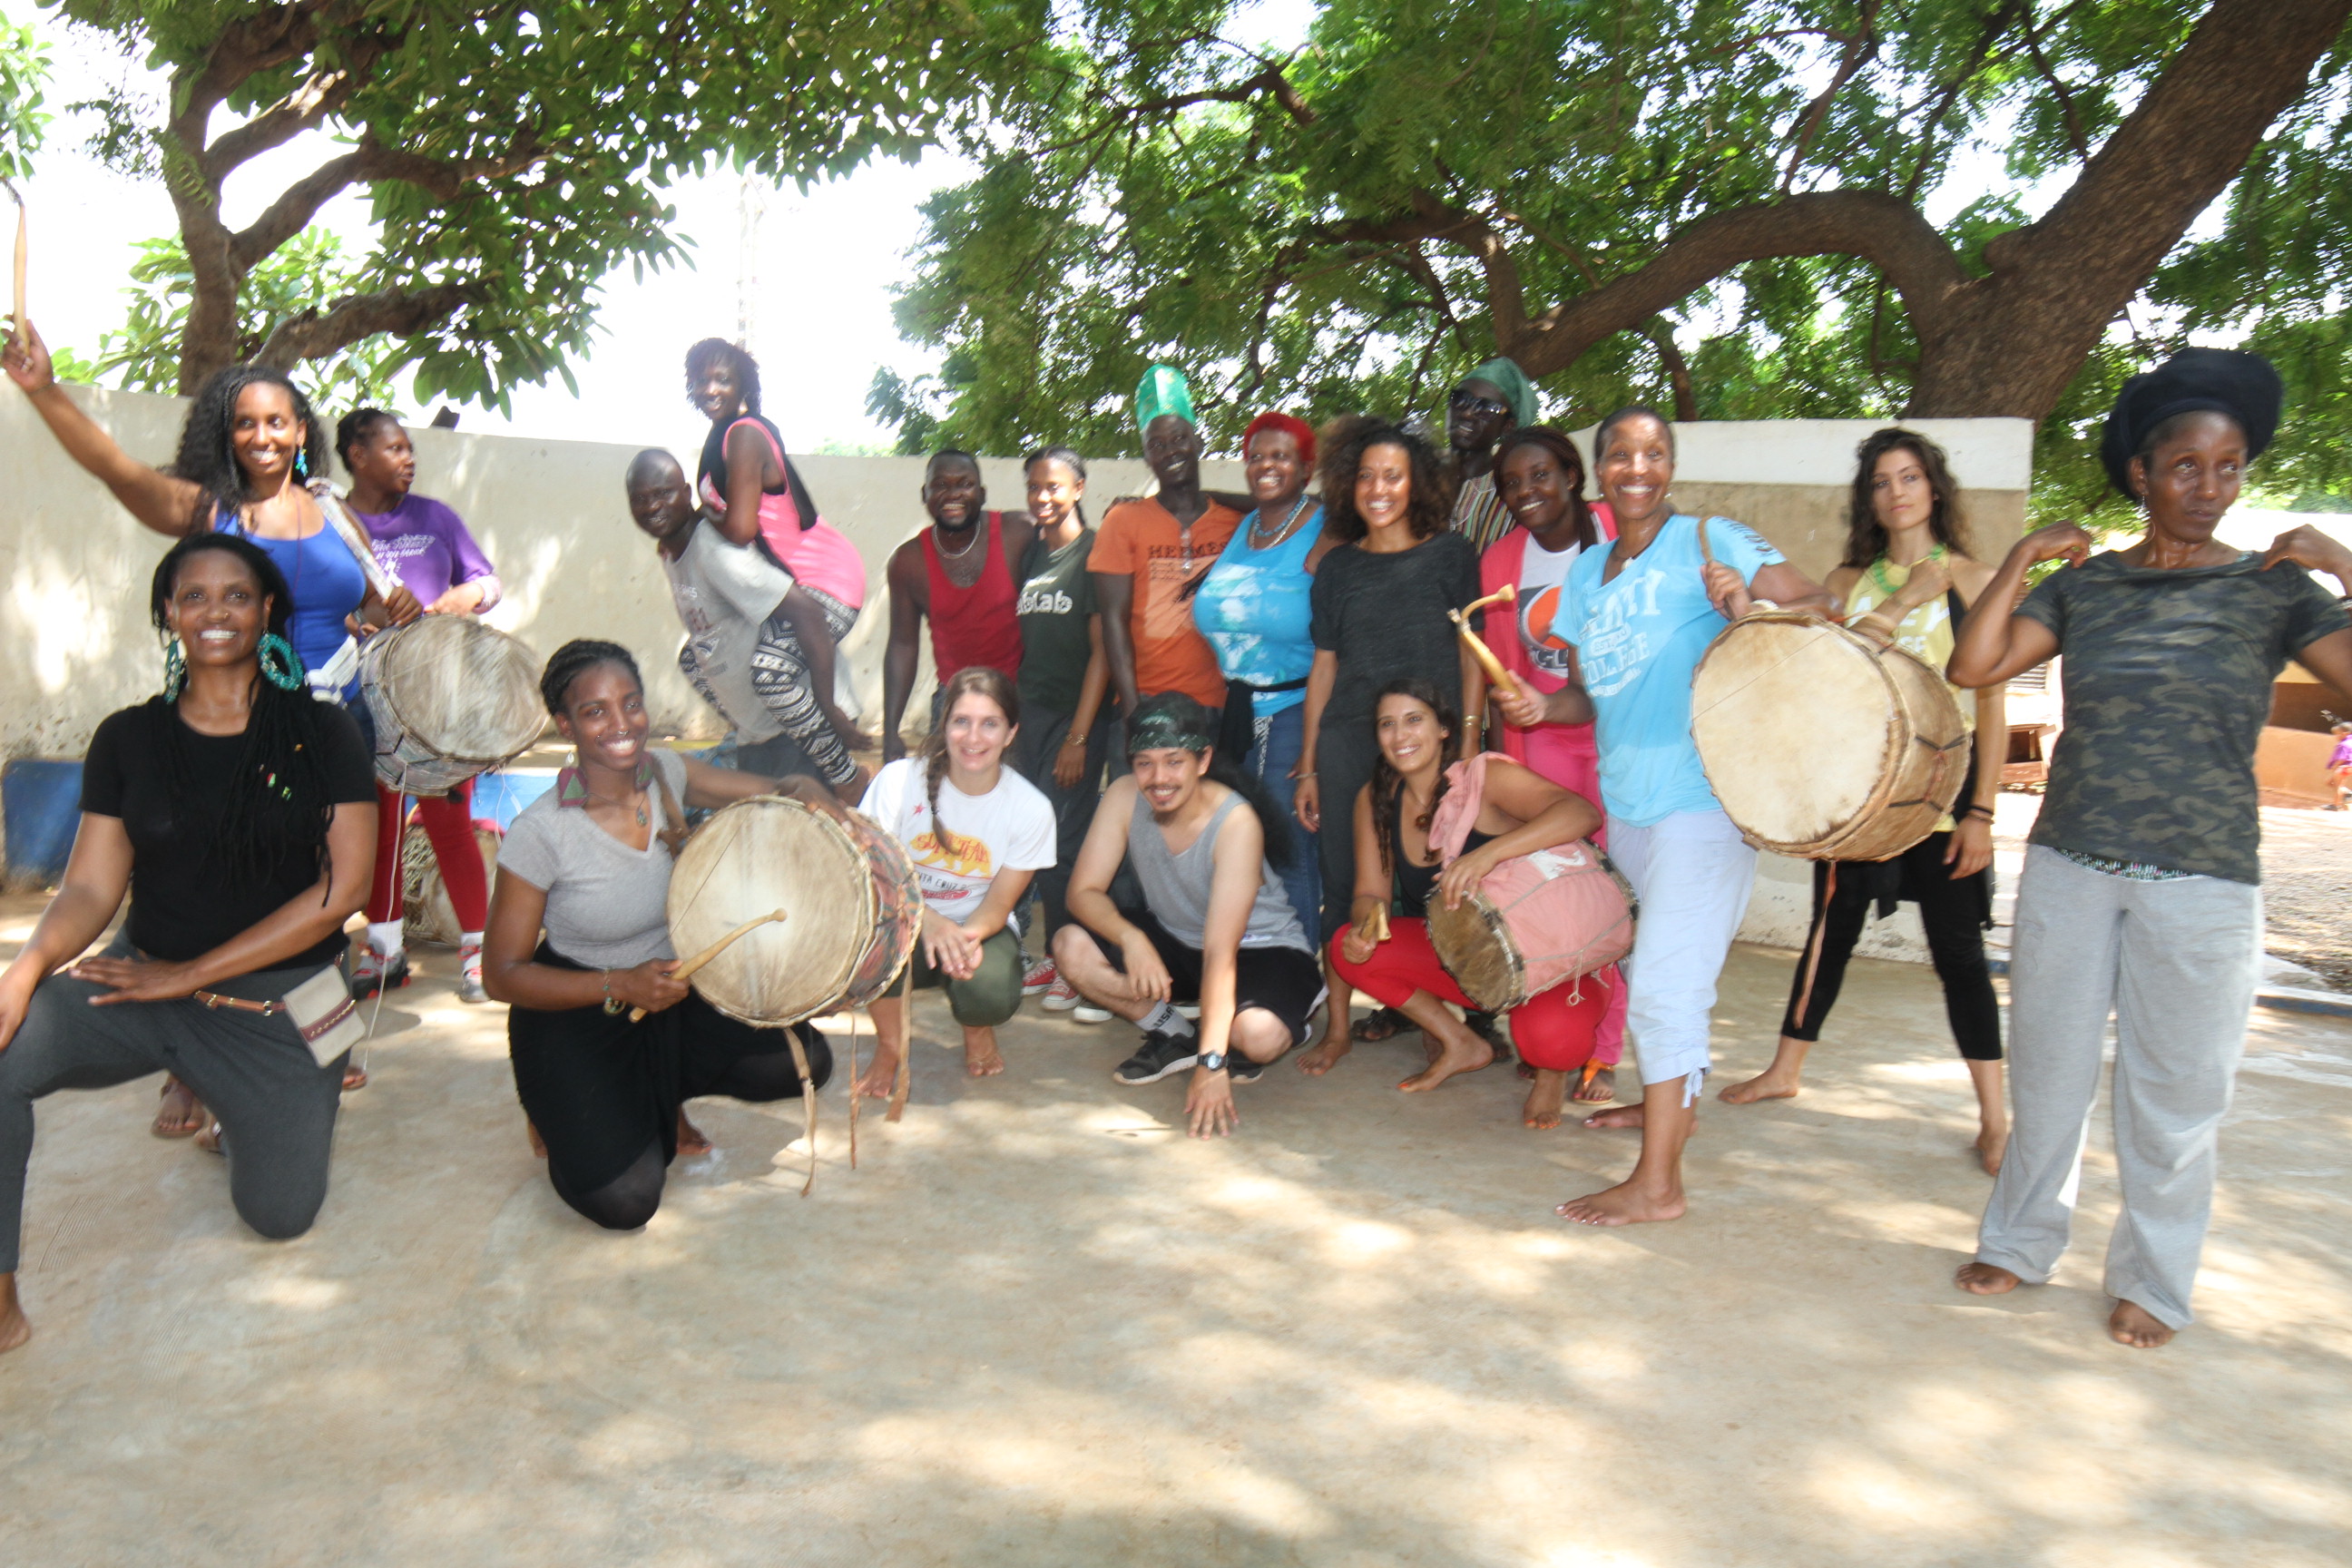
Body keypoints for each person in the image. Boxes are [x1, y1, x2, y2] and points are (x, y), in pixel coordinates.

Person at [1946, 348, 2352, 1349]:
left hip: (2204, 878)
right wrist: (2023, 560)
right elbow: (1974, 662)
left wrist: (2344, 568)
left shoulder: (2277, 590)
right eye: (2185, 467)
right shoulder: (2090, 587)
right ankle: (2021, 1239)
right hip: (2075, 865)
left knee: (2175, 1095)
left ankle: (2155, 1282)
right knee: (2047, 1072)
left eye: (2229, 468)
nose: (2208, 488)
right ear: (2142, 472)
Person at [5, 323, 415, 1138]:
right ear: (226, 435)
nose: (263, 437)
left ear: (303, 432)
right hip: (234, 727)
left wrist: (388, 608)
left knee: (328, 898)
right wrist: (46, 391)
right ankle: (188, 1063)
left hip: (333, 723)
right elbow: (114, 469)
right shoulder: (208, 507)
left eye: (279, 422)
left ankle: (321, 1044)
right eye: (245, 423)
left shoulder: (334, 510)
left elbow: (366, 600)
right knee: (224, 876)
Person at [0, 534, 378, 1353]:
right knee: (2, 1052)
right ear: (168, 613)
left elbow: (341, 893)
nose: (216, 612)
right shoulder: (128, 739)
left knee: (280, 1216)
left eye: (237, 595)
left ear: (267, 610)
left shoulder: (323, 733)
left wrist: (192, 973)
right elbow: (93, 889)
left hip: (281, 1006)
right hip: (144, 985)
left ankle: (236, 1105)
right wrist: (25, 970)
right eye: (194, 596)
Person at [1493, 406, 1832, 1226]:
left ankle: (1659, 1187)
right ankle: (1664, 1107)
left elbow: (1820, 608)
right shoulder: (1588, 572)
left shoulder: (1711, 540)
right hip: (1631, 805)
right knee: (1656, 974)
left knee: (1667, 991)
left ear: (1669, 466)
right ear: (1599, 469)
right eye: (1619, 454)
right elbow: (1590, 691)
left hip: (1705, 799)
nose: (1635, 468)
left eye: (1652, 454)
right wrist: (1542, 709)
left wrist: (1745, 602)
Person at [1719, 428, 2012, 1174]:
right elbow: (1815, 682)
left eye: (1910, 477)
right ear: (1870, 499)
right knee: (1829, 931)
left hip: (1940, 800)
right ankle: (1785, 1070)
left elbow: (1993, 707)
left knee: (1959, 956)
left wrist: (1982, 814)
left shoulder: (1975, 580)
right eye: (1881, 482)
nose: (1897, 493)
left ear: (1934, 487)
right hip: (1858, 797)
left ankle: (1995, 1117)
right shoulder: (1849, 581)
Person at [483, 641, 840, 1231]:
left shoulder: (665, 775)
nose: (622, 724)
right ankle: (552, 1102)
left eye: (631, 703)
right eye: (596, 711)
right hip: (578, 1007)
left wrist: (804, 788)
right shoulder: (542, 832)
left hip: (669, 991)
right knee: (627, 1201)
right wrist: (618, 983)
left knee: (805, 1063)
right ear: (565, 724)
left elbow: (776, 792)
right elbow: (502, 974)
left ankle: (658, 1094)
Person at [1324, 681, 1613, 1124]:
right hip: (1469, 956)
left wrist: (1489, 854)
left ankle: (1549, 1078)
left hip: (1545, 958)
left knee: (1552, 1044)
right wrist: (1367, 926)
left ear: (1443, 729)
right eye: (1388, 725)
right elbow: (1370, 894)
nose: (1401, 736)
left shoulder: (1484, 777)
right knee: (1348, 948)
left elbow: (1581, 814)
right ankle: (1461, 1043)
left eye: (1414, 720)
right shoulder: (1377, 796)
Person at [1293, 420, 1480, 1073]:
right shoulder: (1337, 568)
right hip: (1349, 741)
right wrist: (1310, 765)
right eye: (1366, 476)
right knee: (1345, 889)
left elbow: (1471, 652)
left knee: (1434, 887)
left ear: (1417, 483)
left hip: (1434, 747)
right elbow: (1324, 668)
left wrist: (1471, 744)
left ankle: (1438, 1025)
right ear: (1349, 485)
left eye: (1393, 476)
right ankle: (1339, 1027)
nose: (1379, 489)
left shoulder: (1453, 554)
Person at [1052, 695, 1324, 1138]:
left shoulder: (1235, 822)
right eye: (1144, 763)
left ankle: (1286, 1012)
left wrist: (1212, 1066)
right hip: (1178, 940)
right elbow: (1082, 892)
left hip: (1261, 948)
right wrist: (1132, 939)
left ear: (1203, 760)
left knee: (1256, 1038)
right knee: (1069, 945)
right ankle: (1177, 1033)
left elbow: (1221, 952)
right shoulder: (1123, 796)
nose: (1159, 779)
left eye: (1174, 761)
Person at [1464, 426, 1628, 1102]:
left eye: (1541, 475)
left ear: (1571, 475)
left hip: (1622, 743)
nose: (1527, 491)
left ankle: (1606, 1047)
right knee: (1561, 890)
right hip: (1545, 747)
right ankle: (1556, 1031)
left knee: (1619, 893)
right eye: (1512, 483)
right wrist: (1479, 739)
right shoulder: (1502, 559)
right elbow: (1487, 657)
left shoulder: (1621, 534)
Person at [337, 407, 505, 1010]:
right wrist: (359, 619)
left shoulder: (435, 518)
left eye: (411, 449)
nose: (409, 458)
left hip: (438, 699)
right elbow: (324, 605)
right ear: (357, 454)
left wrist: (465, 596)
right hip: (368, 699)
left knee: (449, 824)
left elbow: (491, 583)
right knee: (379, 826)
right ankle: (385, 949)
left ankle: (480, 951)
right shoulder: (335, 525)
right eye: (395, 448)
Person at [856, 668, 1056, 1095]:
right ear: (943, 725)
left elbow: (999, 905)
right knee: (864, 942)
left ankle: (976, 1025)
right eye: (961, 721)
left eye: (990, 724)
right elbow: (874, 877)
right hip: (899, 918)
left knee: (991, 991)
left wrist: (959, 940)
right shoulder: (898, 780)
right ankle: (890, 1046)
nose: (973, 737)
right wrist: (927, 921)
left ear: (1010, 733)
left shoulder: (1031, 808)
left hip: (975, 926)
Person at [683, 338, 869, 792]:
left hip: (825, 580)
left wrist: (705, 514)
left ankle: (847, 777)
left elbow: (741, 528)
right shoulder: (719, 438)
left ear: (743, 384)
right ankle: (761, 732)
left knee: (771, 671)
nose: (711, 388)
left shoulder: (744, 433)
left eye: (723, 379)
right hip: (787, 585)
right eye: (702, 379)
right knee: (698, 658)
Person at [627, 448, 858, 799]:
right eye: (641, 499)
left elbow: (807, 612)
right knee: (691, 657)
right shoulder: (674, 551)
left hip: (800, 728)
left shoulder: (714, 550)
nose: (652, 506)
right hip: (761, 734)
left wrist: (829, 709)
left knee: (793, 842)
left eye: (663, 493)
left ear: (687, 495)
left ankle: (849, 779)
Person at [1191, 410, 1335, 952]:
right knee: (1239, 850)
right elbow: (1239, 498)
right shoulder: (1246, 528)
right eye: (1256, 457)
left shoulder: (1326, 526)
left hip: (1297, 710)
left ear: (1306, 467)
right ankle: (1257, 962)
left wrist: (1314, 756)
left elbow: (1335, 637)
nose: (1266, 467)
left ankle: (1297, 975)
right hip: (1235, 714)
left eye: (1281, 457)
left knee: (1290, 851)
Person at [1004, 447, 1112, 1010]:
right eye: (1033, 488)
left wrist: (1078, 737)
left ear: (1078, 487)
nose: (1042, 498)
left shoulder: (1093, 553)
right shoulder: (1032, 558)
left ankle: (1076, 960)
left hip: (1080, 718)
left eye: (1053, 487)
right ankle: (1056, 953)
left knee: (1065, 840)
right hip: (1034, 716)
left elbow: (1102, 653)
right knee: (1037, 835)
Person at [1089, 366, 1244, 719]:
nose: (1170, 451)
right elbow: (1113, 621)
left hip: (1218, 703)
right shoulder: (1123, 521)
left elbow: (1295, 508)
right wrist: (1131, 708)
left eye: (1178, 439)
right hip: (1145, 701)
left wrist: (1217, 497)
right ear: (1145, 456)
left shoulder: (1235, 522)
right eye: (1156, 445)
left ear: (1198, 442)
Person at [881, 451, 1034, 756]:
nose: (953, 494)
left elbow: (1071, 537)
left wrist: (1121, 513)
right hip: (954, 700)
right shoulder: (908, 562)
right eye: (940, 485)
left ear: (982, 493)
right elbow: (902, 644)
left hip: (1021, 697)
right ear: (925, 495)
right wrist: (890, 731)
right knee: (947, 798)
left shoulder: (1018, 532)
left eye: (964, 484)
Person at [1445, 357, 1536, 554]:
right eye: (1461, 399)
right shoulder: (1414, 475)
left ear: (1508, 426)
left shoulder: (1511, 497)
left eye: (1486, 409)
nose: (1467, 413)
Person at [2328, 720, 2352, 810]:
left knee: (2338, 786)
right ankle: (2348, 793)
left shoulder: (2344, 744)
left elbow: (2342, 758)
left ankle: (2336, 805)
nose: (2336, 736)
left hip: (2343, 767)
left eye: (2338, 733)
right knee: (2330, 782)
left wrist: (2334, 767)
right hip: (2349, 767)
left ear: (2345, 733)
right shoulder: (2350, 742)